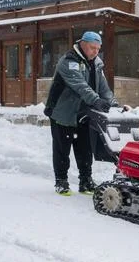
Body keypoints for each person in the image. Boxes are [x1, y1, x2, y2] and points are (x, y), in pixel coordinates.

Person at [44, 31, 118, 196]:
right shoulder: (69, 61)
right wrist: (96, 100)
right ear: (83, 44)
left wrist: (112, 102)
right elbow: (80, 85)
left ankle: (86, 181)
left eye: (98, 49)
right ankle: (61, 181)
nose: (95, 52)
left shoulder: (96, 63)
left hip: (84, 114)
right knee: (62, 148)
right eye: (92, 48)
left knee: (85, 149)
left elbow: (104, 87)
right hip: (63, 113)